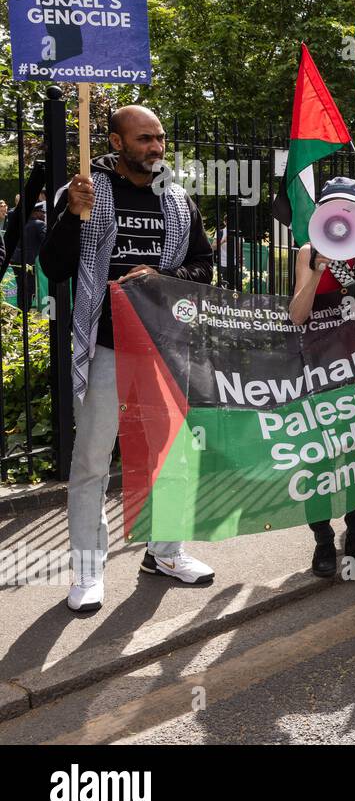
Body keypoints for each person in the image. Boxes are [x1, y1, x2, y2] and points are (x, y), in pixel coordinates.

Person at [40, 105, 216, 612]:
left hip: (164, 347)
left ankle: (165, 552)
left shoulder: (179, 201)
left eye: (160, 138)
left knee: (171, 456)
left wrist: (162, 280)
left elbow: (203, 267)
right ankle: (88, 573)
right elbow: (53, 269)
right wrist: (73, 217)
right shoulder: (86, 194)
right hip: (106, 347)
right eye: (144, 139)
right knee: (93, 461)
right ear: (116, 143)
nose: (157, 147)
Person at [288, 177, 355, 577]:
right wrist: (315, 273)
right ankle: (323, 540)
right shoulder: (308, 252)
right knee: (319, 457)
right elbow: (296, 314)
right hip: (320, 369)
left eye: (350, 207)